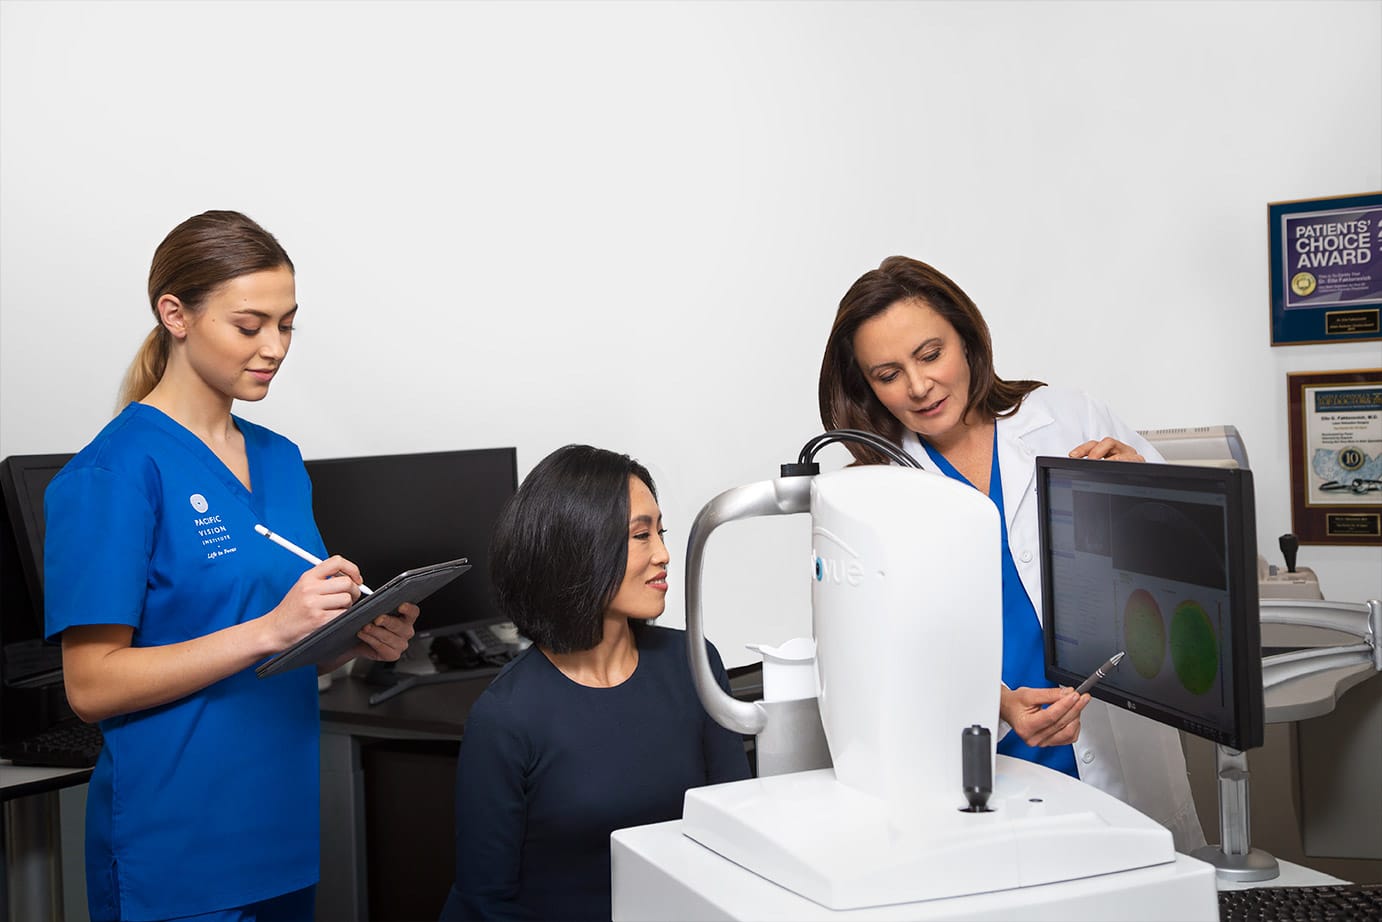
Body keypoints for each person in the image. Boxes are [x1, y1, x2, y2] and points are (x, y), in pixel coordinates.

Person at [43, 210, 421, 921]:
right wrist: (272, 630)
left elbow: (278, 650)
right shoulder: (114, 473)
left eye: (287, 325)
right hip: (175, 847)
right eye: (250, 326)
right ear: (175, 315)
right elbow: (90, 686)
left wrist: (349, 640)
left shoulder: (280, 459)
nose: (274, 347)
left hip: (278, 827)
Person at [817, 255, 1204, 853]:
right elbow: (874, 650)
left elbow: (1193, 565)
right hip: (984, 758)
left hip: (1112, 742)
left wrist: (1148, 500)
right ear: (865, 384)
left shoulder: (1066, 417)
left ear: (968, 341)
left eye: (930, 354)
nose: (918, 387)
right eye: (888, 373)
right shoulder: (870, 490)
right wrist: (994, 702)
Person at [440, 445, 751, 921]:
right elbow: (486, 902)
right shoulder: (507, 717)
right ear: (577, 549)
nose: (664, 554)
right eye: (640, 536)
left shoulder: (693, 662)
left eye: (659, 532)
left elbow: (737, 833)